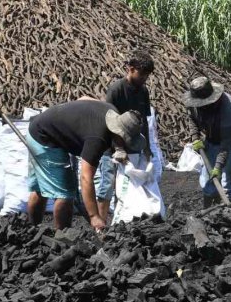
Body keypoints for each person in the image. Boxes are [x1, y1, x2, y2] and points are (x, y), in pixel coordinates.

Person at [26, 100, 145, 231]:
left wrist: (119, 148)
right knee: (65, 194)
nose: (127, 146)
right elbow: (86, 178)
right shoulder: (98, 139)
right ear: (119, 134)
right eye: (126, 141)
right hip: (45, 138)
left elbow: (84, 98)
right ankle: (63, 239)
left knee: (40, 189)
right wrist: (94, 216)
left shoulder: (113, 113)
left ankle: (32, 230)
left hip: (39, 128)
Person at [96, 52, 155, 220]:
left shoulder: (143, 91)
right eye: (142, 74)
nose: (145, 78)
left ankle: (121, 220)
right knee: (108, 185)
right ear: (130, 69)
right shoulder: (116, 89)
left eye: (147, 75)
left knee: (127, 184)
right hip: (113, 146)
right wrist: (118, 148)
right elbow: (110, 120)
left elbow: (143, 121)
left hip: (134, 144)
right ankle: (101, 225)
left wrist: (147, 148)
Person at [184, 76, 231, 206]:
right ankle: (209, 200)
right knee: (208, 175)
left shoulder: (226, 106)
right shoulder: (194, 103)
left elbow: (227, 142)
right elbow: (192, 119)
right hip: (212, 137)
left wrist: (219, 166)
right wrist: (195, 137)